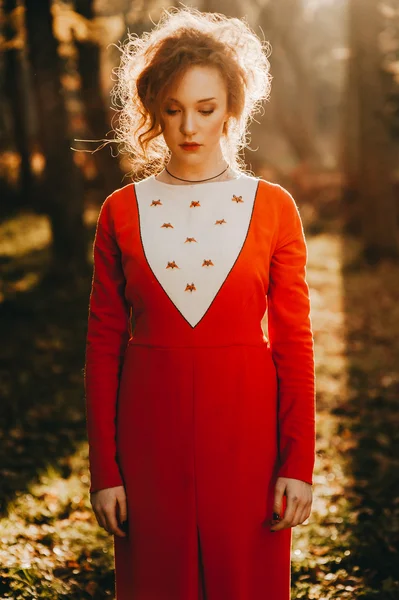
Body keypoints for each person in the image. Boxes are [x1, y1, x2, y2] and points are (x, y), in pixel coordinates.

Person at [84, 6, 316, 600]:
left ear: (232, 110)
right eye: (173, 109)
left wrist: (297, 464)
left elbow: (294, 344)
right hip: (147, 438)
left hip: (248, 436)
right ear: (153, 109)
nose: (189, 126)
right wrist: (105, 472)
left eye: (206, 109)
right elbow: (104, 344)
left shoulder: (273, 207)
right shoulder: (120, 210)